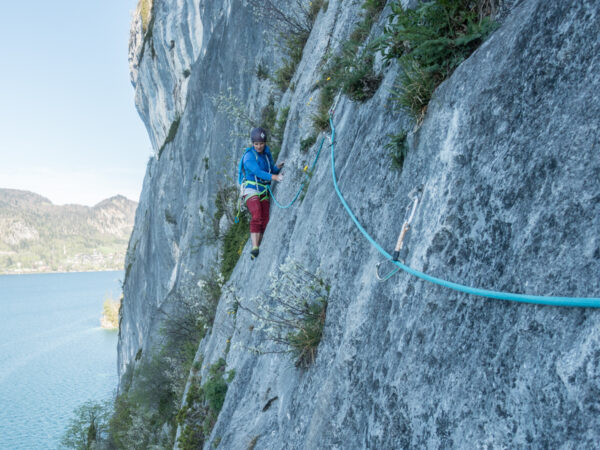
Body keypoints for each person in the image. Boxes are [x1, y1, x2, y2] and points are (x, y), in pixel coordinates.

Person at [239, 127, 284, 259]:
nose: (259, 146)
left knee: (265, 220)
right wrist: (275, 178)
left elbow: (269, 168)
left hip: (263, 189)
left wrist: (278, 168)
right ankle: (255, 247)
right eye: (256, 144)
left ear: (265, 143)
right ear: (252, 144)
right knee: (257, 214)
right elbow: (258, 172)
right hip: (251, 189)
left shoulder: (266, 152)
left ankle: (259, 243)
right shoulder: (248, 157)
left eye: (261, 143)